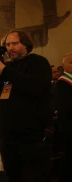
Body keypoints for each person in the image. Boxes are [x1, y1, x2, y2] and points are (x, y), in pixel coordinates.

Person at [0, 30, 53, 182]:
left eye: (15, 43)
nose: (10, 48)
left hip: (31, 137)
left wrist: (5, 71)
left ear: (26, 45)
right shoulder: (6, 67)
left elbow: (35, 86)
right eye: (7, 44)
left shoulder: (38, 62)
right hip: (7, 137)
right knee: (13, 177)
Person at [55, 53, 72, 182]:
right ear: (64, 66)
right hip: (69, 126)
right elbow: (65, 107)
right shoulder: (63, 83)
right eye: (71, 63)